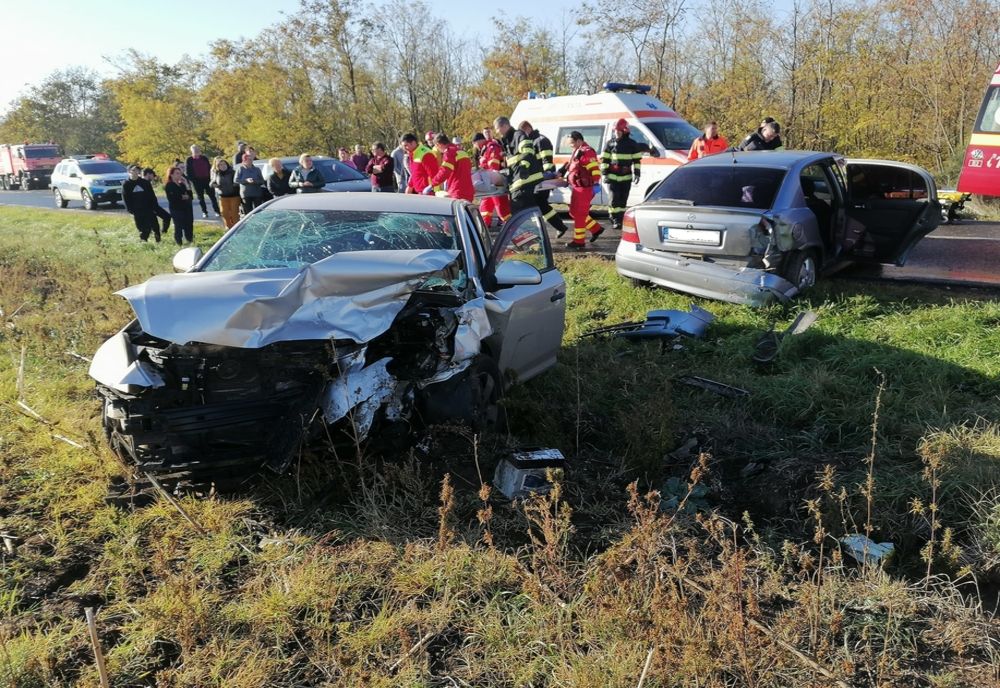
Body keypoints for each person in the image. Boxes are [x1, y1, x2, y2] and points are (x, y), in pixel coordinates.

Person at [520, 120, 569, 237]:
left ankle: (540, 232)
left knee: (538, 204)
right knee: (541, 205)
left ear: (527, 129)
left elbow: (547, 162)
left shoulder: (541, 141)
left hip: (542, 179)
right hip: (537, 178)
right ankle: (560, 227)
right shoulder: (533, 141)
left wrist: (547, 178)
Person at [561, 131, 603, 248]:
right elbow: (575, 167)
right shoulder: (577, 150)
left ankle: (579, 242)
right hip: (577, 187)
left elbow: (595, 170)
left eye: (572, 143)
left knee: (579, 214)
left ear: (579, 141)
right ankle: (596, 229)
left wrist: (594, 184)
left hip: (584, 188)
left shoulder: (587, 151)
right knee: (573, 212)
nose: (571, 146)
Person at [494, 115, 543, 214]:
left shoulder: (518, 135)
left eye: (497, 128)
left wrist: (524, 166)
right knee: (527, 213)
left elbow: (527, 151)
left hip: (525, 180)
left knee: (519, 212)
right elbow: (516, 159)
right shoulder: (509, 140)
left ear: (504, 126)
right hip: (520, 182)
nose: (497, 132)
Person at [600, 118, 642, 230]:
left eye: (619, 131)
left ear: (625, 131)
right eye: (615, 131)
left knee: (623, 199)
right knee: (614, 199)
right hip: (612, 177)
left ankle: (620, 218)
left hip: (626, 177)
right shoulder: (610, 143)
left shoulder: (632, 144)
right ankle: (614, 218)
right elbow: (604, 160)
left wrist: (637, 174)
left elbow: (637, 161)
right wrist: (605, 174)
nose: (616, 133)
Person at [474, 133, 511, 227]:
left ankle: (514, 228)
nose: (475, 146)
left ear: (479, 141)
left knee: (502, 209)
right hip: (488, 183)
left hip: (495, 183)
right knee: (485, 208)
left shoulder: (492, 147)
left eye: (475, 143)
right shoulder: (485, 149)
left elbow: (493, 166)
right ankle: (484, 228)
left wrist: (490, 179)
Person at [122, 164, 161, 242]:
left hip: (148, 208)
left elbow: (152, 195)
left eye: (137, 170)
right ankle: (144, 242)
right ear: (129, 171)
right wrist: (130, 210)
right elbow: (125, 198)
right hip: (137, 210)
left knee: (155, 226)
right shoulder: (127, 184)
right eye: (133, 170)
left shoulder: (144, 183)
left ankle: (158, 240)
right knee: (143, 228)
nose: (136, 172)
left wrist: (155, 206)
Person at [431, 133, 474, 202]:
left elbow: (445, 171)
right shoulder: (461, 152)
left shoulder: (449, 153)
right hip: (468, 190)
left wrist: (432, 183)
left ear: (439, 144)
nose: (438, 149)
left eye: (436, 146)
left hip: (457, 191)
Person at [185, 145, 220, 219]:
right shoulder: (189, 160)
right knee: (201, 198)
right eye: (195, 150)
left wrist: (211, 178)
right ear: (192, 151)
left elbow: (209, 168)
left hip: (207, 179)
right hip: (197, 181)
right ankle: (204, 212)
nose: (197, 151)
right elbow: (188, 172)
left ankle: (217, 211)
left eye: (198, 149)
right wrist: (193, 180)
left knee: (212, 197)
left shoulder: (204, 158)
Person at [164, 165, 194, 245]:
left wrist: (186, 184)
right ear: (171, 175)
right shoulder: (169, 185)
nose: (179, 175)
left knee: (189, 224)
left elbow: (190, 196)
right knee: (178, 226)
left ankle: (190, 240)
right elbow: (172, 198)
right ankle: (179, 242)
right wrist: (182, 197)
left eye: (180, 173)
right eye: (177, 173)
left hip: (186, 208)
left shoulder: (182, 185)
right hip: (176, 209)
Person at [211, 158, 240, 228]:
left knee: (234, 213)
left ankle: (236, 228)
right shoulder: (217, 173)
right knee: (224, 213)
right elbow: (211, 183)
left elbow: (238, 181)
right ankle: (228, 227)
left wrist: (235, 184)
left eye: (224, 164)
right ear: (218, 167)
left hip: (234, 196)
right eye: (220, 165)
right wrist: (214, 185)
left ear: (227, 165)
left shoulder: (233, 172)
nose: (223, 166)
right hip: (223, 196)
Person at [142, 168, 172, 235]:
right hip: (150, 207)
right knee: (164, 218)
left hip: (154, 206)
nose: (153, 177)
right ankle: (159, 233)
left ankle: (162, 232)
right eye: (153, 175)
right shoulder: (143, 183)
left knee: (167, 217)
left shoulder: (147, 183)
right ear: (148, 174)